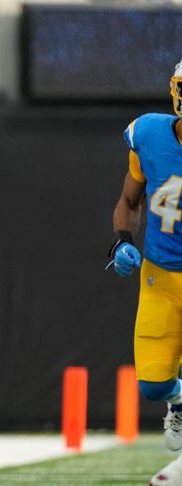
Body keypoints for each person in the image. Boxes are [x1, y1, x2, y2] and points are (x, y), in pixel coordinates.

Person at [109, 59, 182, 451]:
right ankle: (179, 399)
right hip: (161, 276)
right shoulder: (150, 135)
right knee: (153, 385)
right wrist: (122, 241)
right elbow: (128, 200)